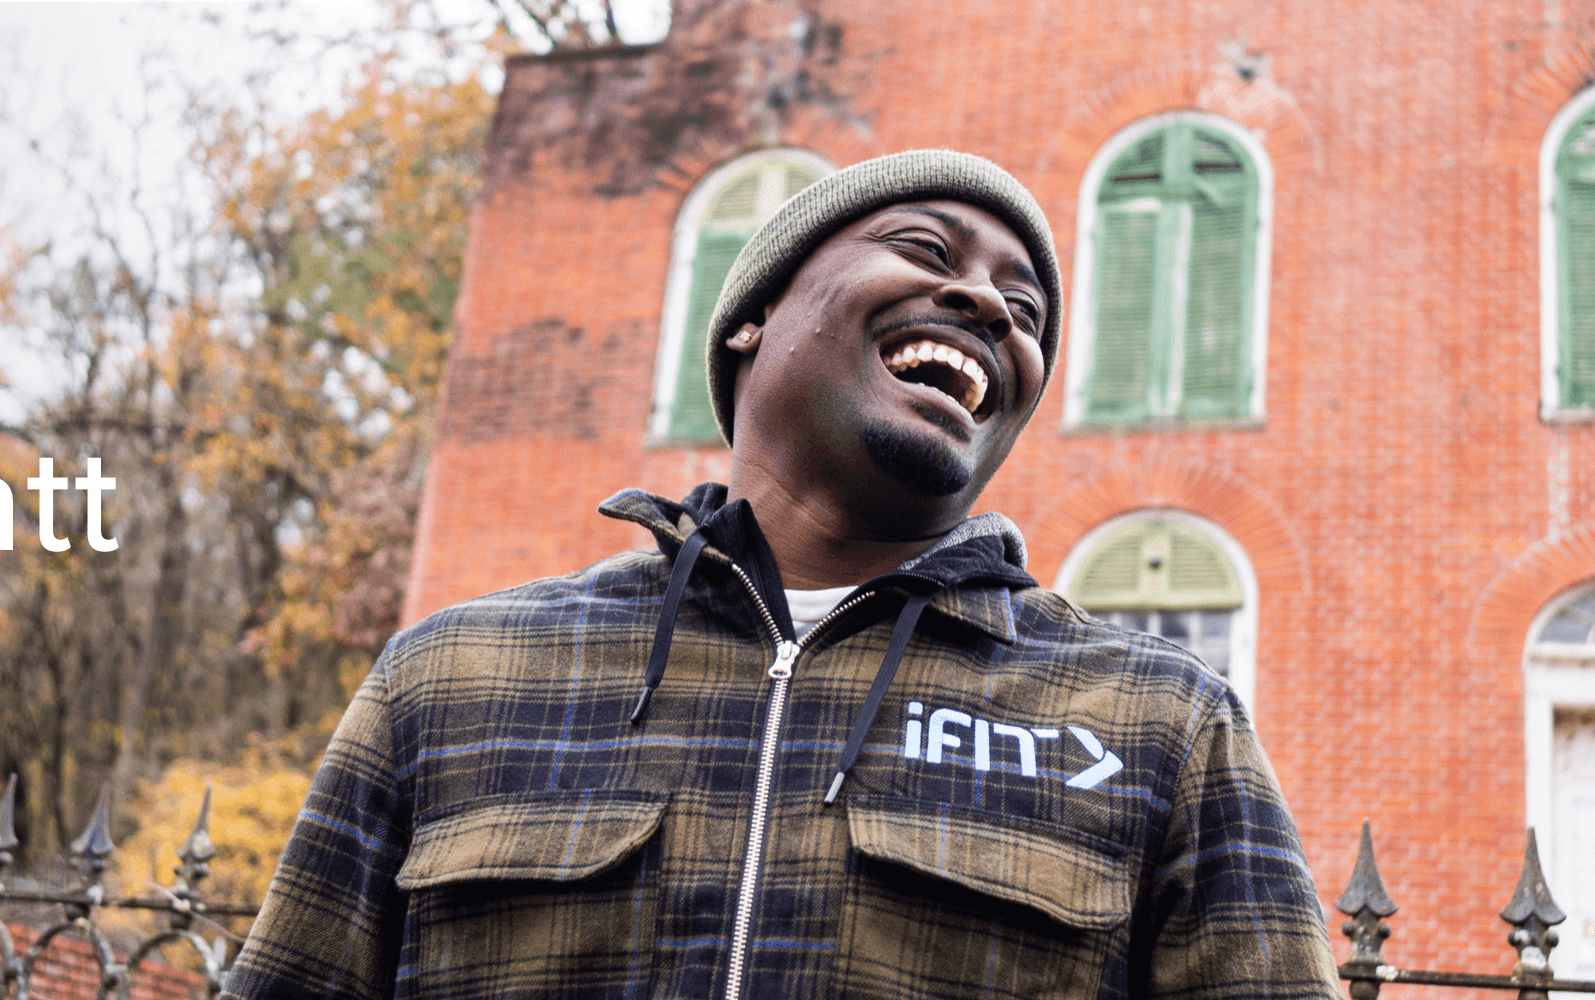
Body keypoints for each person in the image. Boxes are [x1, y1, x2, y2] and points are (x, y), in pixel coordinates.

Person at [222, 150, 1338, 999]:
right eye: (928, 250)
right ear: (751, 319)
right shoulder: (451, 677)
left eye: (1027, 310)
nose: (993, 306)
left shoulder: (1160, 720)